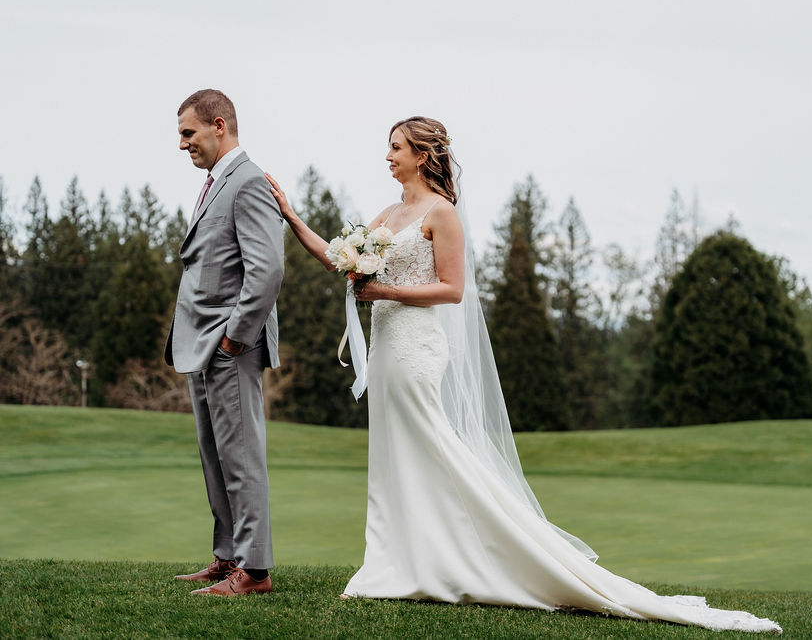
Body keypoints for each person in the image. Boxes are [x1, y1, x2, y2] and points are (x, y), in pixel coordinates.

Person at [266, 116, 781, 632]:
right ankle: (393, 563)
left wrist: (385, 293)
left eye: (396, 147)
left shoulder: (441, 214)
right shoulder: (388, 213)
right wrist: (290, 214)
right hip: (385, 351)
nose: (387, 156)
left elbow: (452, 290)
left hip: (415, 349)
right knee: (394, 455)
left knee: (432, 447)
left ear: (422, 156)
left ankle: (487, 553)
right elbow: (338, 259)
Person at [165, 89, 285, 596]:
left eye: (188, 133)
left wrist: (235, 339)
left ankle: (254, 571)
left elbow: (267, 269)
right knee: (215, 457)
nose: (182, 145)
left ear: (219, 125)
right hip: (201, 344)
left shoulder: (248, 181)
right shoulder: (218, 183)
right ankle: (228, 556)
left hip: (227, 344)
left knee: (241, 458)